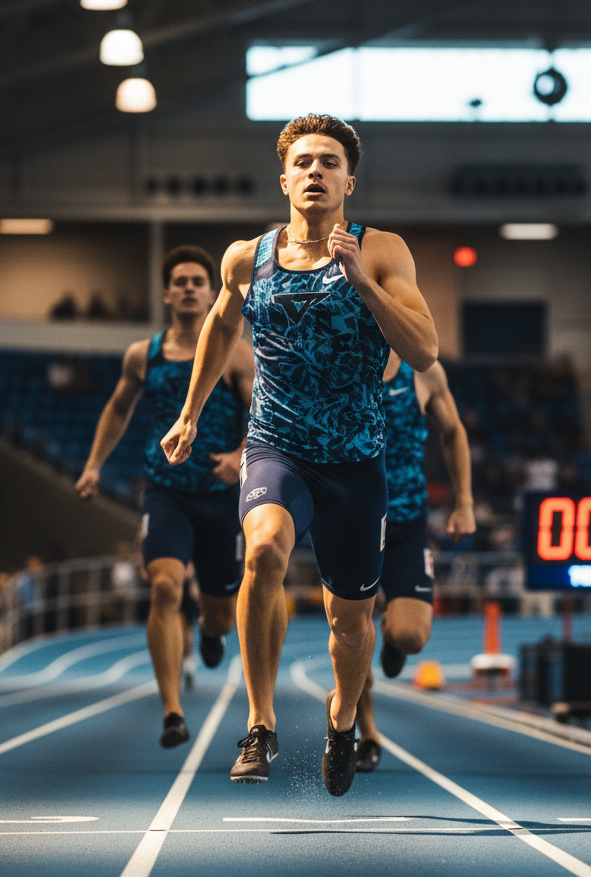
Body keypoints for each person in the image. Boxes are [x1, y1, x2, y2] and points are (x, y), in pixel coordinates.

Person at [161, 114, 438, 796]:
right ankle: (261, 723)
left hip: (355, 462)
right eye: (304, 162)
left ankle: (342, 717)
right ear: (284, 178)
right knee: (261, 553)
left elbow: (424, 350)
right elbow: (222, 327)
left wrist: (364, 284)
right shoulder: (244, 258)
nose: (316, 171)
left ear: (350, 180)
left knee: (351, 621)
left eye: (329, 162)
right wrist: (190, 414)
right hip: (276, 446)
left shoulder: (382, 251)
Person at [77, 245, 253, 749]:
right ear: (166, 292)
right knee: (164, 589)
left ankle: (212, 630)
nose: (190, 287)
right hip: (167, 492)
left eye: (199, 280)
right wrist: (94, 466)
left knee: (220, 613)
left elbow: (264, 409)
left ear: (212, 290)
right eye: (181, 281)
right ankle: (172, 710)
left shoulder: (236, 350)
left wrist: (241, 453)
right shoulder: (143, 355)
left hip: (221, 495)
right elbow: (116, 411)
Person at [353, 351, 476, 771]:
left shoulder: (422, 372)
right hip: (352, 524)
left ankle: (391, 632)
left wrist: (464, 503)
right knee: (354, 636)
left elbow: (454, 431)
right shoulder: (339, 361)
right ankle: (366, 734)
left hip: (407, 522)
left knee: (411, 638)